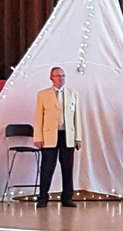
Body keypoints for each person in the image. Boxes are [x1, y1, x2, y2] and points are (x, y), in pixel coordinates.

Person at [33, 67, 82, 208]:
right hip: (49, 136)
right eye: (57, 76)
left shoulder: (73, 94)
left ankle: (67, 197)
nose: (60, 78)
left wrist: (78, 137)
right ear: (51, 78)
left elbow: (77, 116)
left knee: (67, 167)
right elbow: (38, 117)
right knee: (47, 167)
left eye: (62, 76)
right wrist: (38, 137)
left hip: (67, 135)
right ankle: (43, 197)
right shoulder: (43, 95)